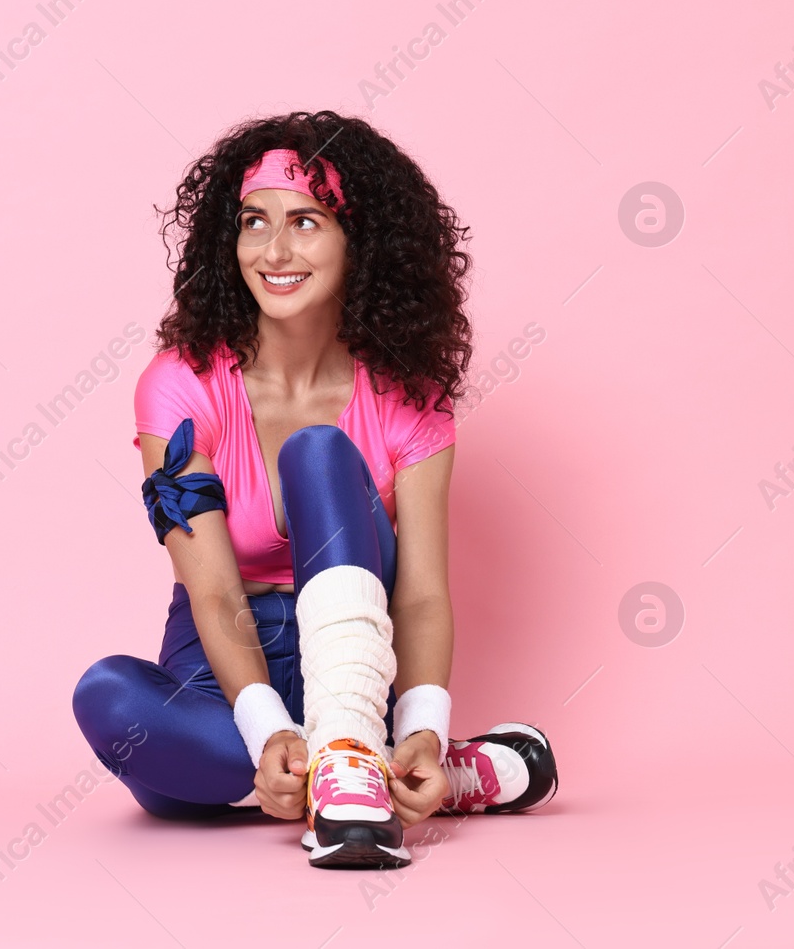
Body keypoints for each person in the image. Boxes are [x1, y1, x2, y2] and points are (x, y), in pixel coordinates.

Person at [71, 110, 558, 868]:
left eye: (306, 221)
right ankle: (390, 770)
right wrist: (266, 728)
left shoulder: (409, 395)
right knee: (108, 699)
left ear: (358, 243)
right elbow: (213, 593)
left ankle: (373, 747)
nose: (274, 250)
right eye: (254, 222)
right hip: (227, 668)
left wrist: (424, 713)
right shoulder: (178, 387)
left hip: (358, 647)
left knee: (320, 453)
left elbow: (423, 592)